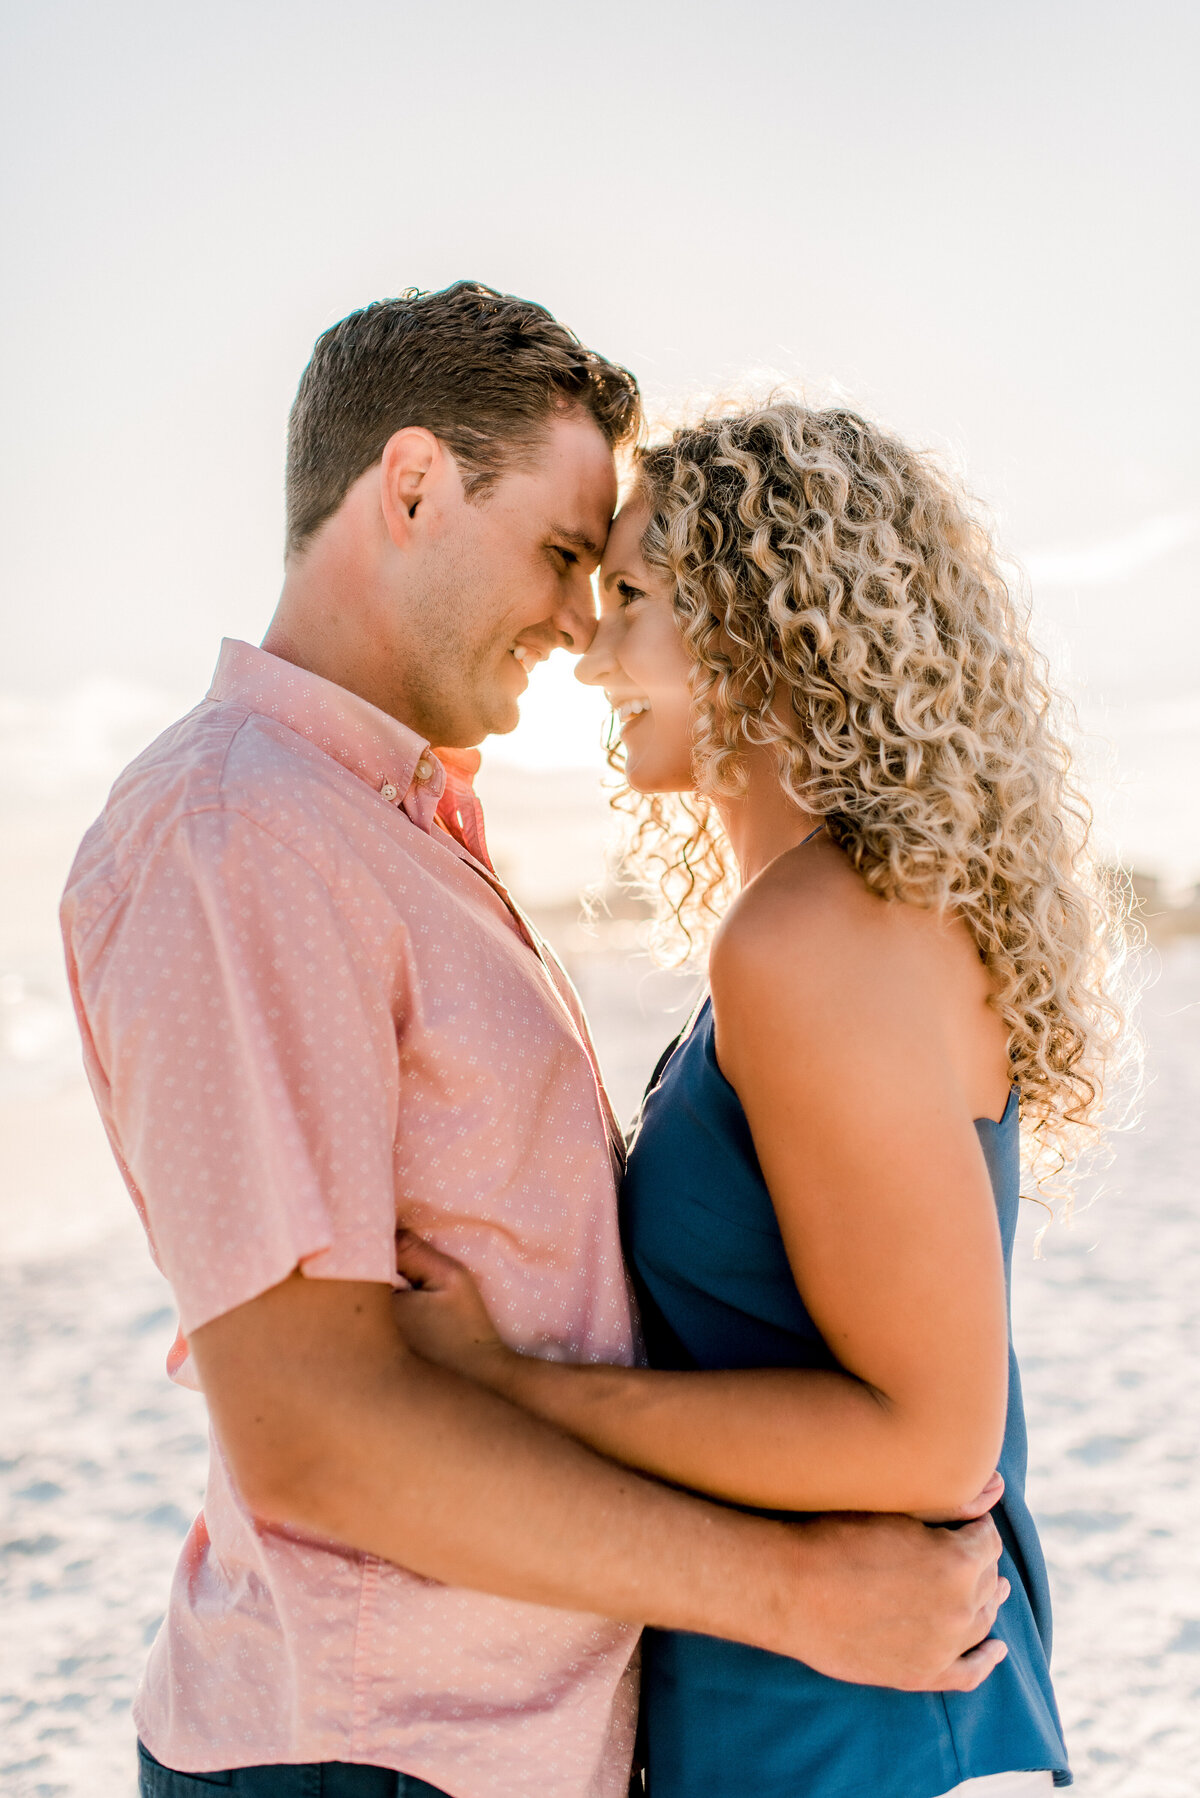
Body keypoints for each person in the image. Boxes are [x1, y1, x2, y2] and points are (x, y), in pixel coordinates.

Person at [61, 293, 1008, 1798]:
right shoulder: (239, 832)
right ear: (416, 485)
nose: (581, 623)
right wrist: (799, 1593)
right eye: (568, 557)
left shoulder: (397, 827)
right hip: (376, 1750)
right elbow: (314, 1434)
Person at [387, 401, 1132, 1797]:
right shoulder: (833, 917)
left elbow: (932, 1439)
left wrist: (513, 1391)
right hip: (859, 1718)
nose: (592, 656)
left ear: (766, 624)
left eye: (634, 599)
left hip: (864, 1737)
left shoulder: (811, 938)